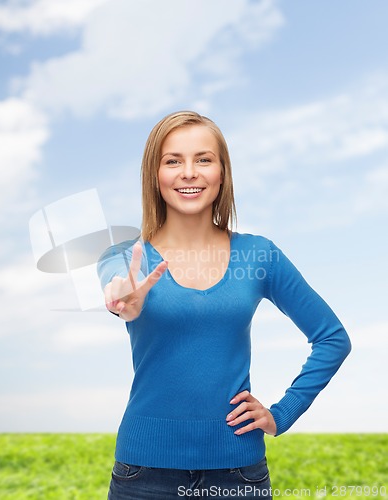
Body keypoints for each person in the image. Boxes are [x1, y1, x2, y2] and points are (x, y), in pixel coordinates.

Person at [97, 111, 351, 499]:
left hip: (238, 474)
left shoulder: (259, 255)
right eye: (172, 161)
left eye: (203, 159)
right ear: (155, 174)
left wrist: (282, 413)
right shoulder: (124, 257)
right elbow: (118, 289)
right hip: (142, 475)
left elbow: (332, 338)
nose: (188, 172)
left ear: (222, 172)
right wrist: (122, 299)